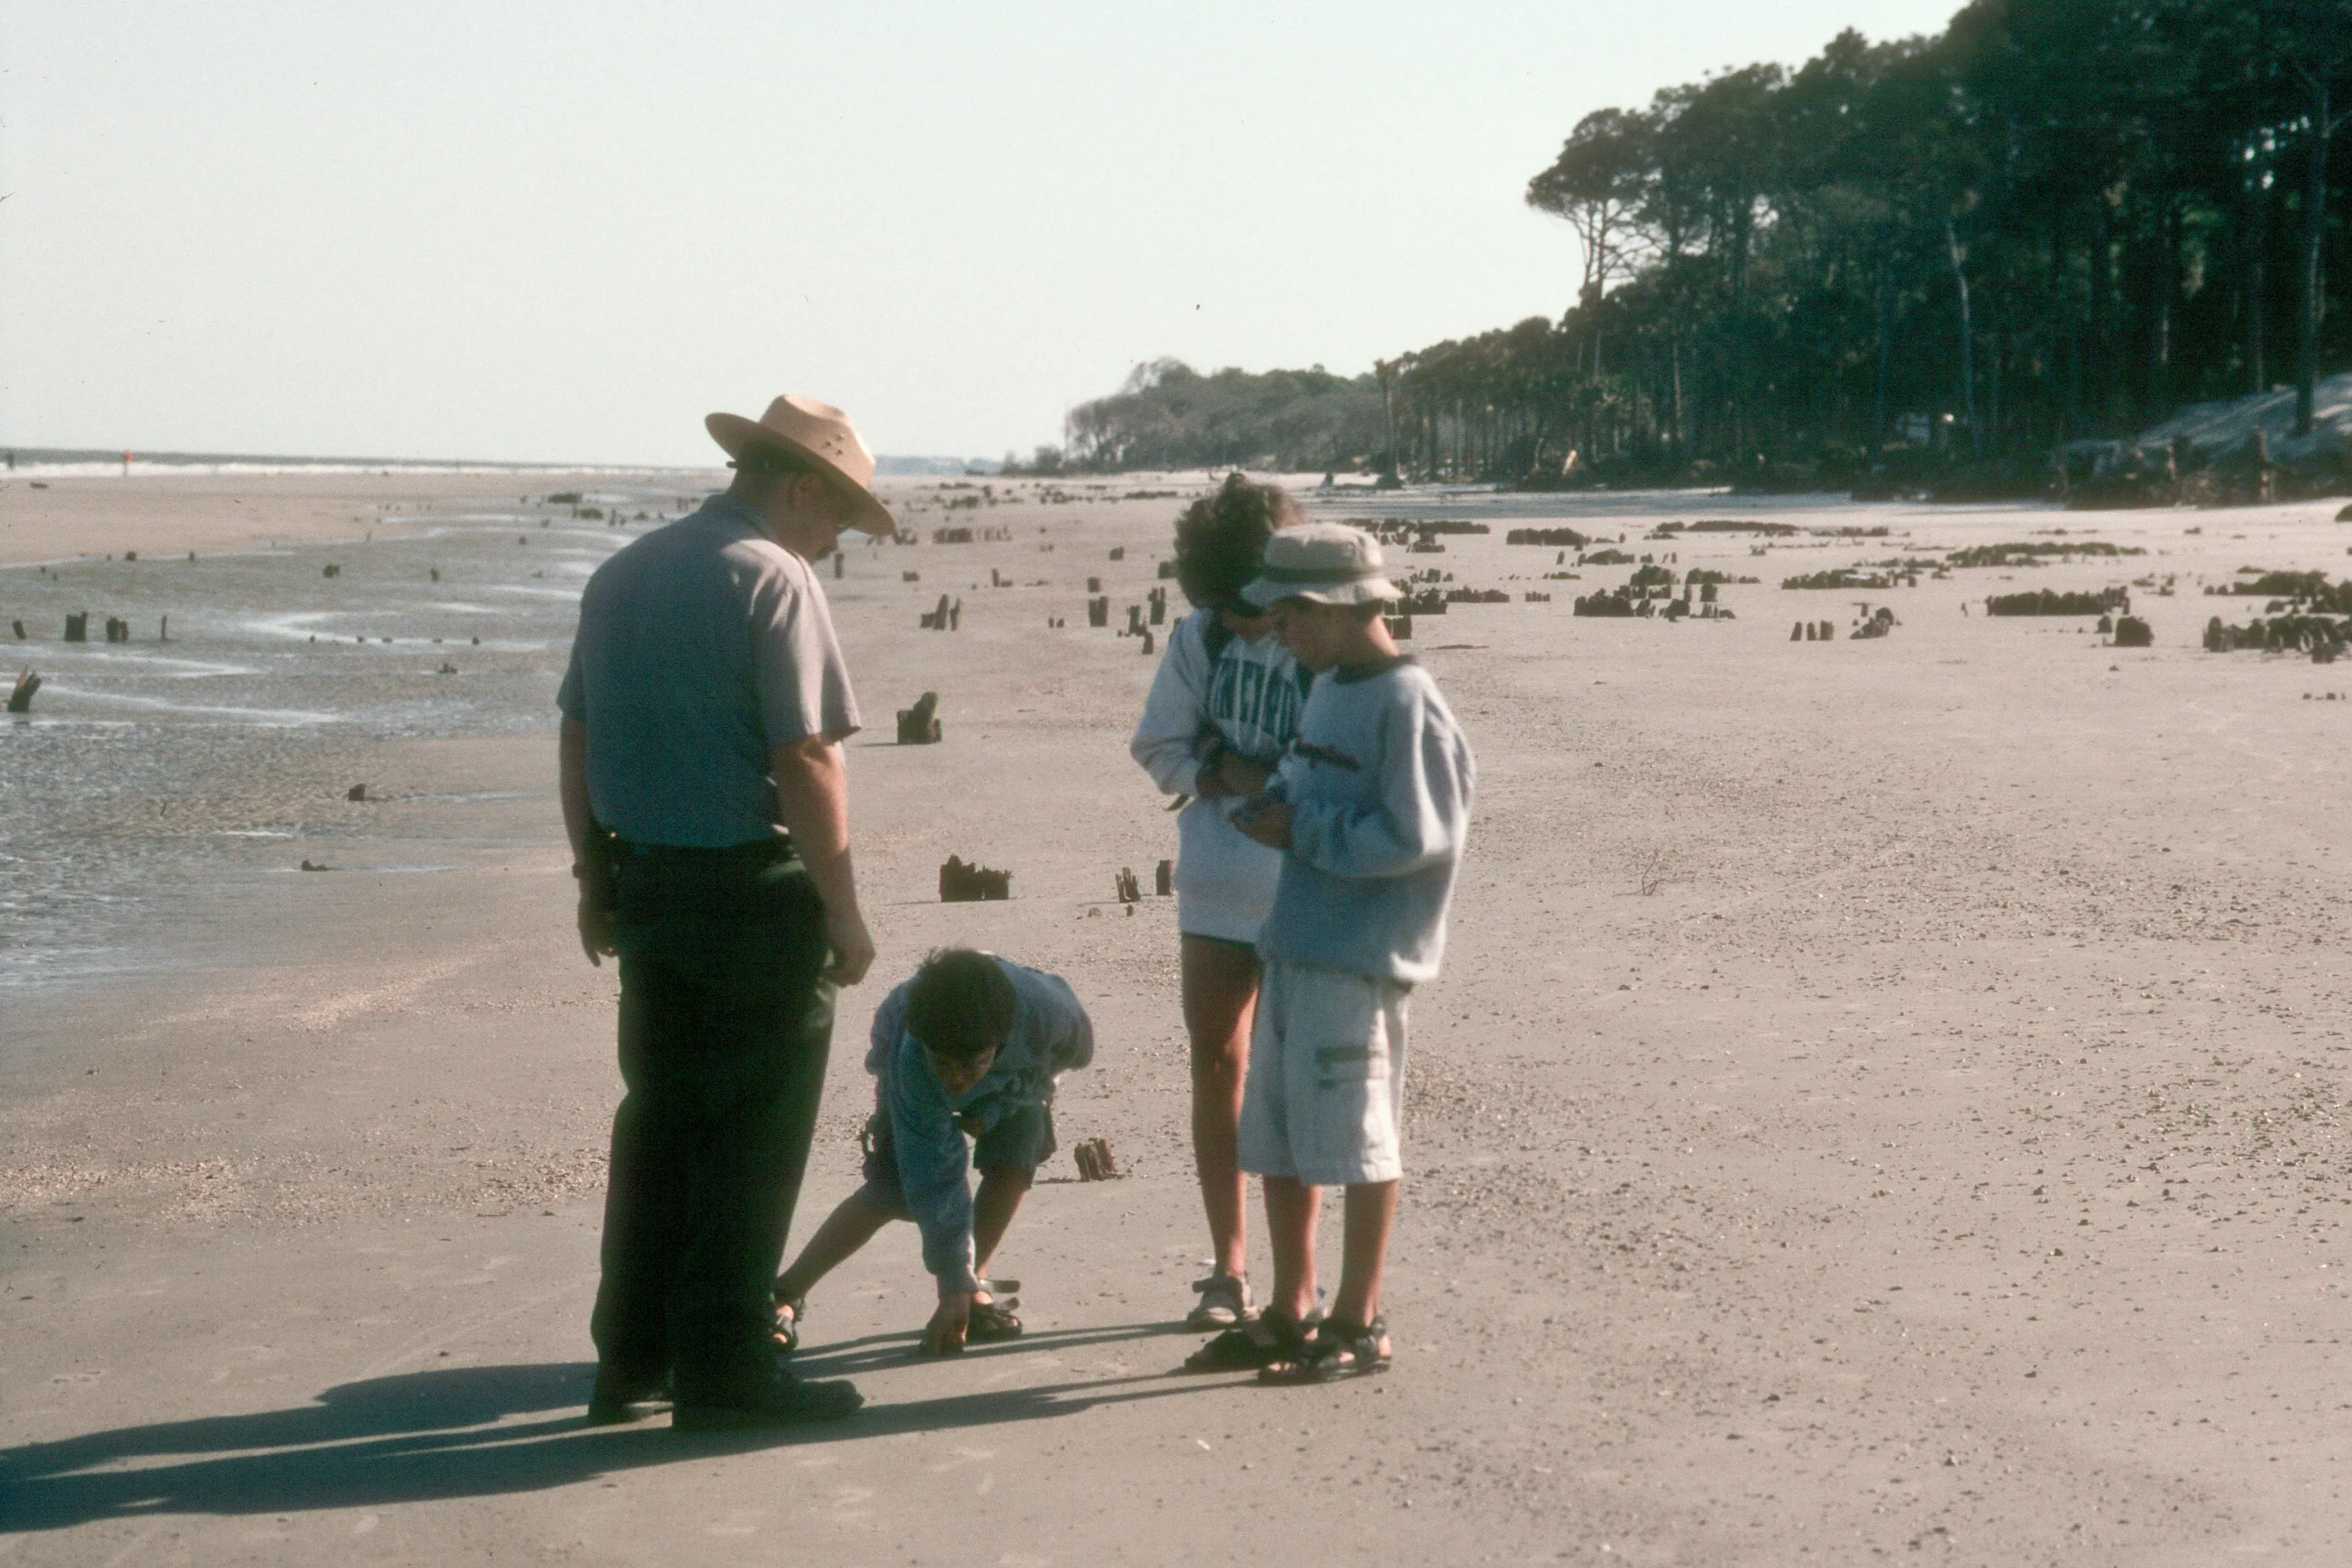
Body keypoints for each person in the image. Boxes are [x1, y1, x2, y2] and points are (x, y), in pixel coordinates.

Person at [560, 394, 895, 1431]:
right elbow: (806, 756)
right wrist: (844, 911)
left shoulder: (621, 574)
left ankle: (631, 1357)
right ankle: (726, 1366)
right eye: (837, 520)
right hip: (752, 893)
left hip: (648, 886)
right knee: (755, 1138)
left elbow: (575, 737)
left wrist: (592, 876)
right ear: (800, 489)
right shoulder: (772, 578)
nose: (834, 545)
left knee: (659, 1125)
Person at [1185, 521, 1473, 1381]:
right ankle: (1290, 1304)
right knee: (1275, 1138)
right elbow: (1310, 788)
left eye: (1288, 619)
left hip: (1360, 958)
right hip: (1296, 944)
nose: (1279, 635)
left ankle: (1360, 1315)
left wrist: (1300, 828)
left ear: (1335, 609)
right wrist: (1277, 806)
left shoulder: (1406, 700)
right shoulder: (1327, 685)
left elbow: (1421, 836)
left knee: (1356, 1138)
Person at [1129, 474, 1307, 1330]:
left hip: (1306, 889)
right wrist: (1218, 770)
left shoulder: (1323, 640)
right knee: (1216, 1063)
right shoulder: (1198, 637)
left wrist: (1255, 773)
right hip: (1212, 881)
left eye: (1247, 608)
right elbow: (1158, 743)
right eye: (1223, 608)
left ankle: (1297, 1277)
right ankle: (1229, 1266)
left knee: (1291, 1078)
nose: (1235, 622)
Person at [771, 949, 1094, 1356]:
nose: (958, 1081)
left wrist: (999, 1105)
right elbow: (937, 1177)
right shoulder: (914, 1060)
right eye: (946, 1065)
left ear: (999, 1042)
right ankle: (785, 1291)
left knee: (1015, 1158)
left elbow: (1064, 1063)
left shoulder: (1051, 1016)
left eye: (972, 1066)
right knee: (895, 1188)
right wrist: (949, 1283)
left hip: (1018, 1072)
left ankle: (973, 1285)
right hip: (906, 1044)